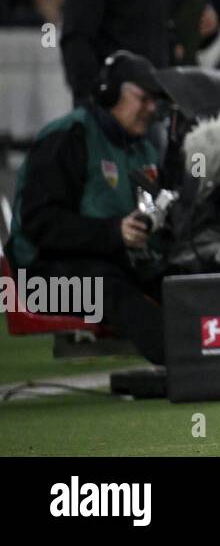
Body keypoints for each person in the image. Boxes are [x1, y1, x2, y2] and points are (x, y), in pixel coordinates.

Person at [5, 52, 168, 364]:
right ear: (109, 92)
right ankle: (188, 367)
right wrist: (113, 232)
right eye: (143, 98)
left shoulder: (142, 147)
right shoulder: (68, 136)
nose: (151, 109)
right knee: (115, 292)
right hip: (41, 282)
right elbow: (39, 223)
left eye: (154, 101)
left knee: (178, 282)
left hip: (108, 265)